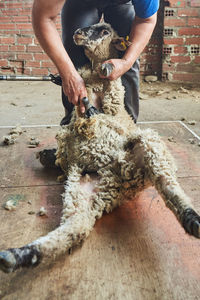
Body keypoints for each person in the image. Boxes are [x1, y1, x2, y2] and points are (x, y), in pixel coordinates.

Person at [32, 0, 159, 126]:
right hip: (79, 3)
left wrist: (126, 62)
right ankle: (73, 133)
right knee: (75, 60)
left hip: (122, 4)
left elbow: (146, 20)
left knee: (125, 57)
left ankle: (127, 133)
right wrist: (68, 74)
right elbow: (44, 18)